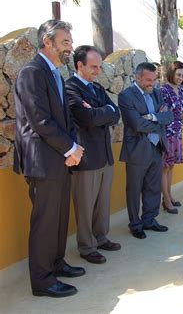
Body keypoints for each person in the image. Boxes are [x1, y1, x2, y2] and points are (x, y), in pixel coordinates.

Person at [13, 20, 85, 298]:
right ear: (48, 41)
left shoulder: (55, 73)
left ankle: (56, 263)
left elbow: (62, 118)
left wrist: (72, 148)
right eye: (65, 41)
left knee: (58, 218)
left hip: (59, 158)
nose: (70, 47)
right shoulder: (32, 72)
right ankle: (42, 281)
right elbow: (40, 120)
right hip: (42, 161)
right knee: (45, 221)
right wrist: (70, 148)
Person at [65, 45, 121, 264]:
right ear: (79, 65)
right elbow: (86, 118)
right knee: (85, 206)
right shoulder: (71, 88)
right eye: (93, 66)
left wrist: (102, 112)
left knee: (102, 203)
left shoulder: (97, 88)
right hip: (86, 158)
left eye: (99, 66)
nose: (98, 71)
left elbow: (115, 113)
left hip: (105, 155)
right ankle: (87, 247)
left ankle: (100, 238)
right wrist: (103, 112)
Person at [118, 62, 173, 239]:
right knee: (134, 189)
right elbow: (136, 124)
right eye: (148, 80)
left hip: (157, 147)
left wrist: (152, 117)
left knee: (153, 186)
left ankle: (149, 219)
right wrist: (158, 121)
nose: (152, 83)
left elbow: (169, 116)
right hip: (137, 150)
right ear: (137, 77)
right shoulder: (126, 96)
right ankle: (135, 224)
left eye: (154, 79)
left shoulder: (157, 93)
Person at [160, 61, 183, 214]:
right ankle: (165, 199)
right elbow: (163, 112)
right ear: (172, 73)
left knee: (171, 166)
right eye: (178, 74)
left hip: (177, 133)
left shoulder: (181, 90)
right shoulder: (164, 90)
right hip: (167, 133)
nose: (180, 78)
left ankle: (169, 194)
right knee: (165, 167)